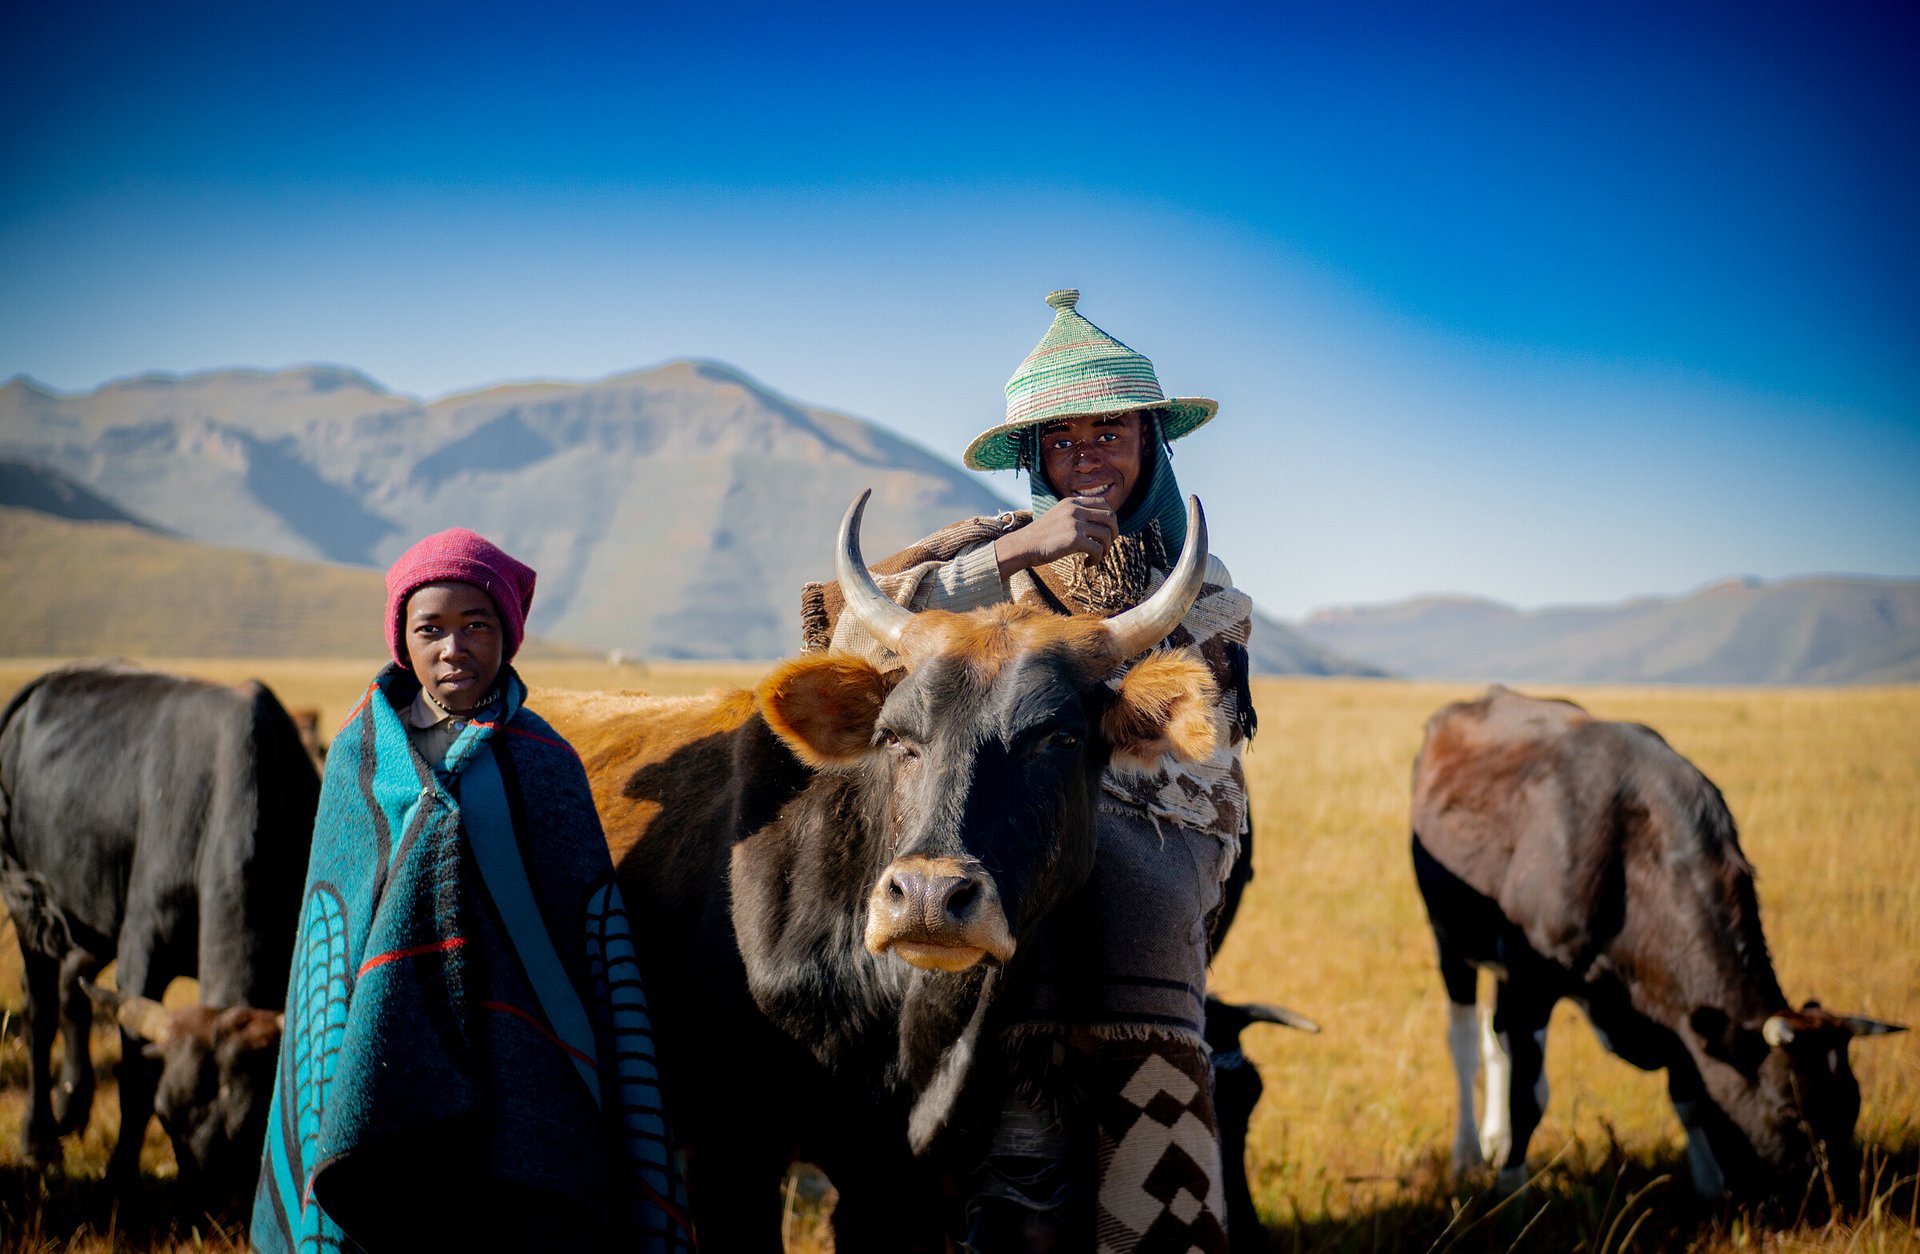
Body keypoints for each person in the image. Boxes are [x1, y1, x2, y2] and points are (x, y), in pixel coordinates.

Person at [804, 290, 1256, 1253]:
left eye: (1110, 433)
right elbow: (855, 634)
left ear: (1150, 442)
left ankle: (1145, 1213)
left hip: (1154, 818)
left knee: (1126, 901)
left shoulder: (1203, 587)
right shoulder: (986, 555)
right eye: (1061, 441)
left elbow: (1194, 734)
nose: (1086, 457)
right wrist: (1018, 550)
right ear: (1035, 460)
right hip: (995, 809)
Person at [251, 529, 695, 1253]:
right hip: (379, 1061)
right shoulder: (360, 760)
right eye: (430, 628)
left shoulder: (545, 763)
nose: (453, 648)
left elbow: (576, 941)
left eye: (476, 625)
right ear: (403, 640)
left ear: (507, 636)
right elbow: (331, 947)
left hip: (525, 1070)